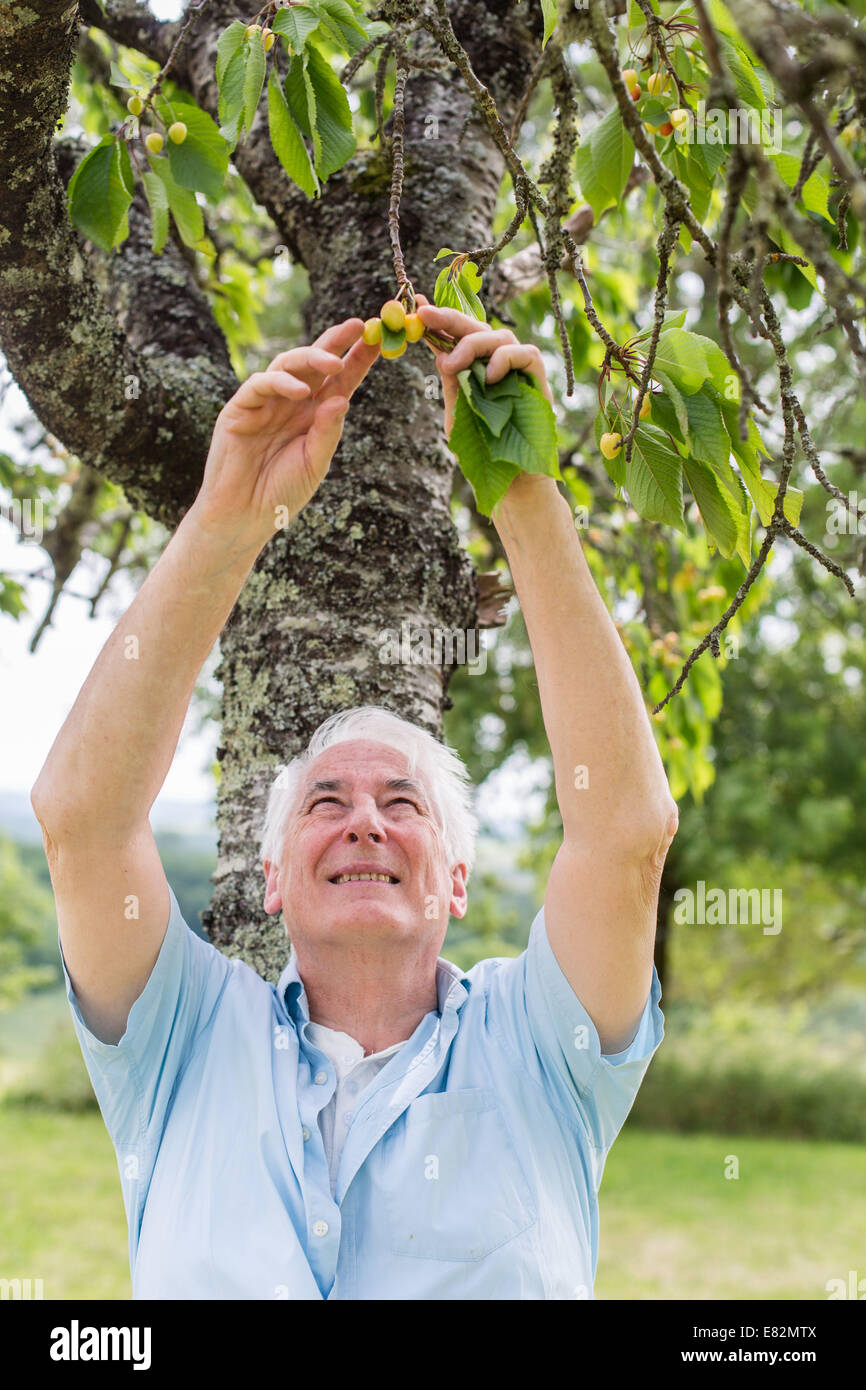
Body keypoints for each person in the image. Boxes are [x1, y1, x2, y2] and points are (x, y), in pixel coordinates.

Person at [31, 298, 678, 1300]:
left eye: (405, 802)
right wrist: (229, 517)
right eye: (324, 799)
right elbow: (83, 819)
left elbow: (625, 833)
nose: (364, 818)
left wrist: (521, 495)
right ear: (273, 876)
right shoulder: (185, 1040)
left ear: (457, 879)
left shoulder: (537, 1048)